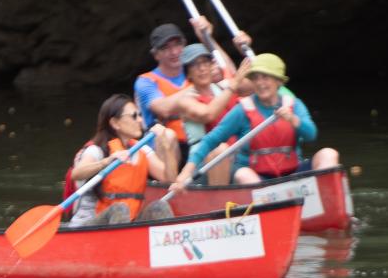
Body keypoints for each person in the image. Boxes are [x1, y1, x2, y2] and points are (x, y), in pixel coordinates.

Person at [185, 53, 341, 187]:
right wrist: (185, 172)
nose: (260, 83)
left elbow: (311, 135)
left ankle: (328, 207)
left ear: (278, 81)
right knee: (245, 175)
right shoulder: (242, 110)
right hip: (256, 176)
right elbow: (211, 140)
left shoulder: (294, 105)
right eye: (256, 78)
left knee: (328, 154)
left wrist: (293, 120)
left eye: (265, 78)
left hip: (291, 172)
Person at [145, 44, 244, 188]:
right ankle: (219, 203)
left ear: (212, 66)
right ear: (188, 73)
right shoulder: (186, 99)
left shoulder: (223, 87)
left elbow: (258, 84)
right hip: (201, 161)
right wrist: (232, 86)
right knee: (219, 149)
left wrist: (241, 47)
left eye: (205, 63)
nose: (202, 69)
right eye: (195, 65)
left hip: (235, 156)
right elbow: (208, 114)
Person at [68, 96, 174, 226]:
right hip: (88, 225)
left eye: (140, 115)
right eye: (134, 116)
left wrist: (166, 146)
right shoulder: (96, 150)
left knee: (159, 206)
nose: (140, 120)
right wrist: (107, 162)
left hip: (128, 222)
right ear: (115, 123)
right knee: (120, 208)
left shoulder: (142, 149)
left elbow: (169, 178)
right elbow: (76, 174)